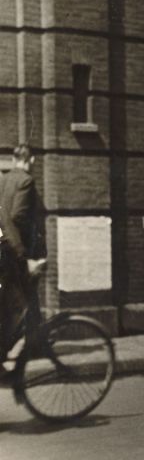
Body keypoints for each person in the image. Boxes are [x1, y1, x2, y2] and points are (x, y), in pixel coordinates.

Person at [0, 144, 46, 363]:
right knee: (24, 302)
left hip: (4, 248)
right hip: (17, 252)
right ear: (31, 160)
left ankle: (34, 343)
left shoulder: (3, 180)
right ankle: (28, 347)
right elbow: (18, 217)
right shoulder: (26, 181)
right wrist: (26, 255)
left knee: (17, 301)